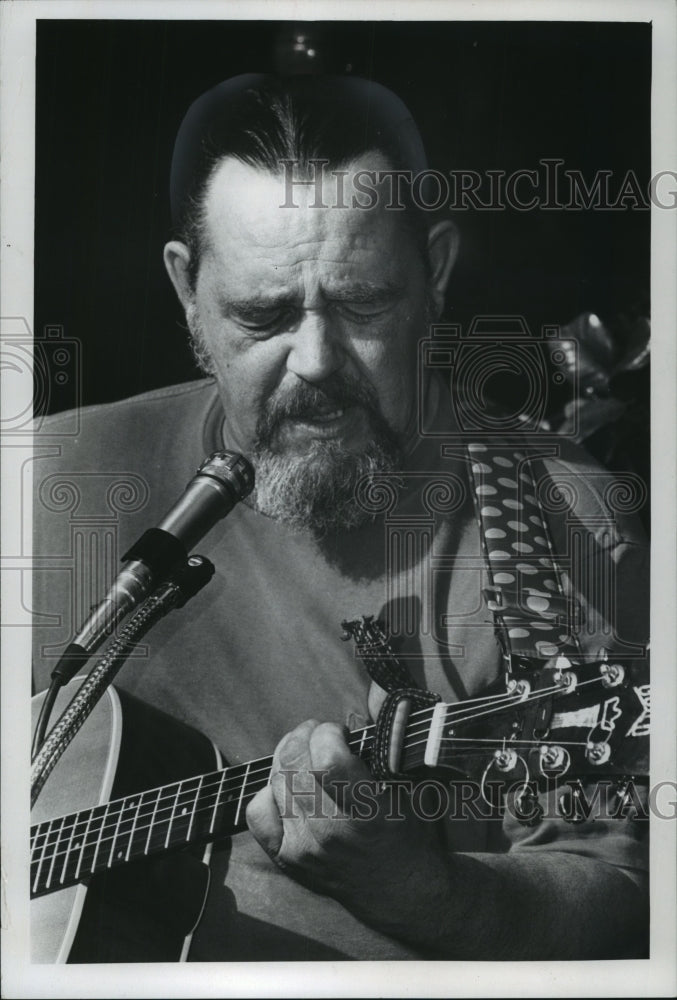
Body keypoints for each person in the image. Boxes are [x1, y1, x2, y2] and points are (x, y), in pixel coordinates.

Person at [32, 74, 649, 961]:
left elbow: (622, 908)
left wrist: (428, 893)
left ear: (433, 273)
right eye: (263, 314)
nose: (315, 360)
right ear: (184, 289)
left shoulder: (565, 531)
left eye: (361, 303)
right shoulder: (51, 473)